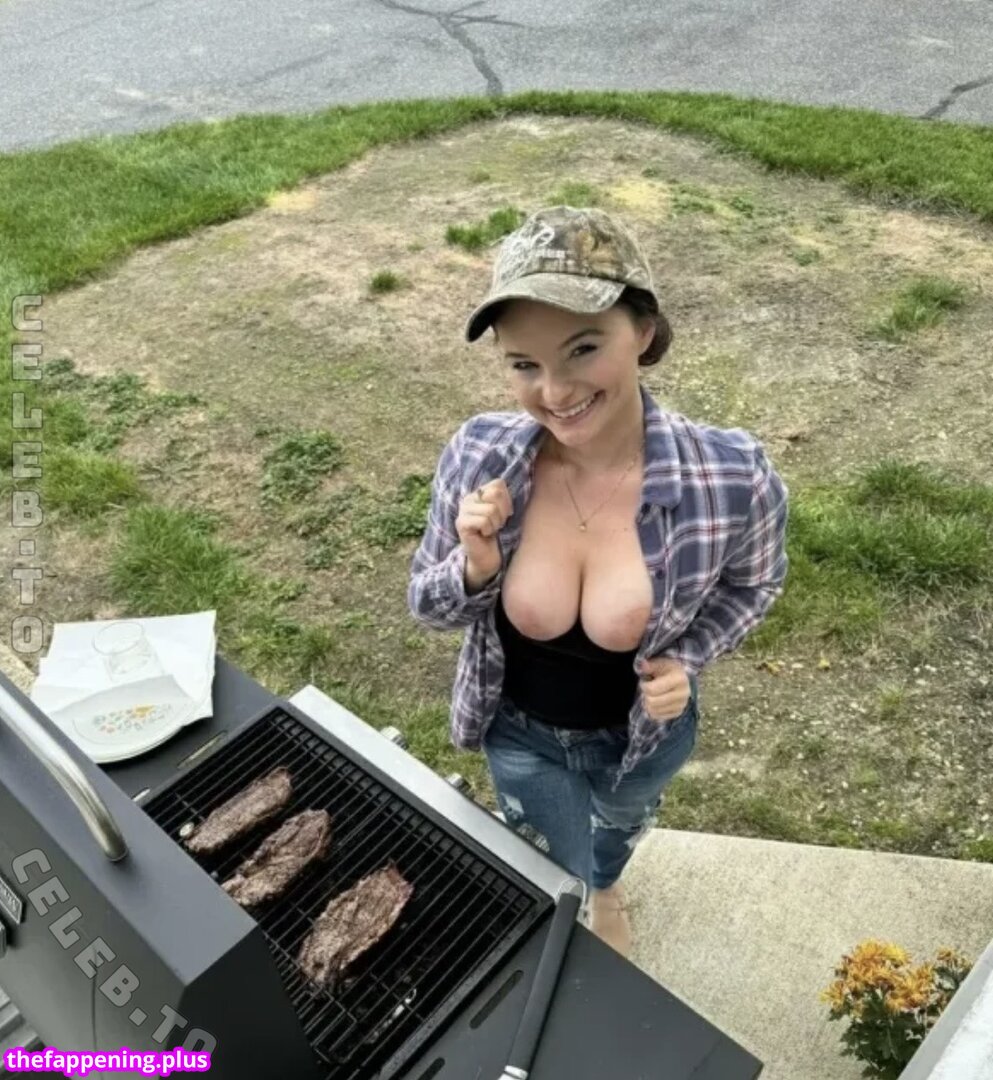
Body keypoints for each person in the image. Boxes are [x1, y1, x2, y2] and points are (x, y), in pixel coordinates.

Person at [407, 205, 789, 957]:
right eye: (523, 364)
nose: (554, 392)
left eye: (582, 348)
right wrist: (475, 566)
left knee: (616, 829)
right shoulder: (479, 455)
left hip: (641, 739)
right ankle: (573, 887)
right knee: (546, 852)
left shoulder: (732, 476)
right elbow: (428, 604)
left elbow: (755, 586)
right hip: (517, 734)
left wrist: (688, 658)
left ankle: (606, 885)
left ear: (642, 330)